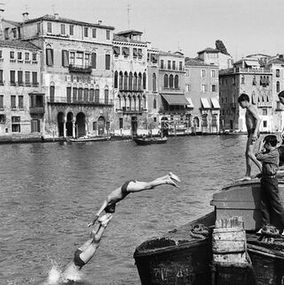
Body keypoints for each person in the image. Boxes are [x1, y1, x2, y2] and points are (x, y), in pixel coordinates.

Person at [88, 172, 181, 227]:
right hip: (129, 184)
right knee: (149, 185)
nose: (113, 209)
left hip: (127, 188)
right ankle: (167, 176)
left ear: (109, 206)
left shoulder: (107, 200)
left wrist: (92, 222)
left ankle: (166, 181)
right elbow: (110, 210)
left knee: (147, 186)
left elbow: (97, 213)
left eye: (111, 209)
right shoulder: (114, 201)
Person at [62, 213, 113, 281]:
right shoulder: (61, 274)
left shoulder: (65, 280)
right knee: (91, 238)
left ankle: (104, 225)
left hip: (79, 261)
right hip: (76, 255)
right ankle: (99, 222)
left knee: (95, 244)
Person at [255, 135, 284, 233]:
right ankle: (265, 226)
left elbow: (258, 156)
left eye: (265, 143)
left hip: (271, 181)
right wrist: (261, 174)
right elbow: (267, 166)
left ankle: (282, 227)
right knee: (264, 204)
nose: (264, 145)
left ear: (268, 144)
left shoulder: (274, 154)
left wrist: (259, 147)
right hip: (265, 179)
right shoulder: (269, 153)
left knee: (276, 205)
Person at [237, 93, 262, 181]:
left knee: (249, 153)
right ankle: (248, 174)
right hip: (250, 133)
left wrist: (255, 133)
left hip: (253, 132)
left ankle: (262, 168)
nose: (240, 105)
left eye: (241, 103)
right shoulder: (248, 109)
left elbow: (258, 119)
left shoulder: (251, 108)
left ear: (245, 101)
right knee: (246, 154)